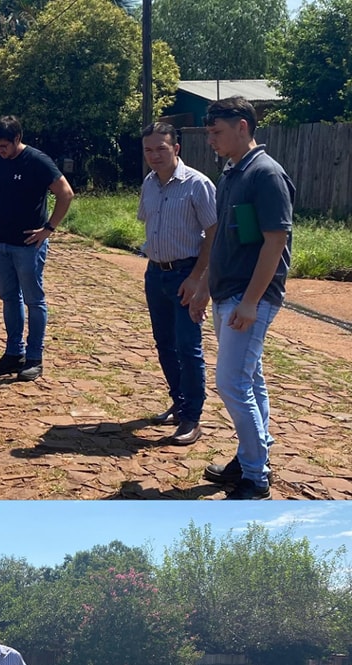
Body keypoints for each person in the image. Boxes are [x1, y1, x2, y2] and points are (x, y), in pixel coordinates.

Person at [200, 98, 295, 500]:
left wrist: (252, 302)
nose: (211, 140)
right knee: (249, 380)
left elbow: (275, 242)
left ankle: (255, 478)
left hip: (249, 295)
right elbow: (223, 236)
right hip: (227, 291)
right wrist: (204, 285)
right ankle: (251, 454)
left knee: (231, 382)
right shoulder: (231, 173)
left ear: (242, 126)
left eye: (216, 132)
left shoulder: (266, 174)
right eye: (208, 133)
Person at [138, 122, 218, 446]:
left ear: (176, 149)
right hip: (155, 273)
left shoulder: (198, 185)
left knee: (188, 347)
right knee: (165, 344)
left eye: (161, 148)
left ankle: (192, 417)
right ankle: (179, 401)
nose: (154, 155)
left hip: (186, 273)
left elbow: (214, 233)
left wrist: (198, 278)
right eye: (148, 150)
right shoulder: (149, 183)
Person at [0, 115, 74, 382]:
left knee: (34, 300)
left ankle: (34, 357)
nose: (0, 151)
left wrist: (49, 229)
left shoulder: (37, 161)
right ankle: (14, 353)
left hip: (29, 245)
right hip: (1, 244)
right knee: (9, 298)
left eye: (4, 146)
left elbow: (65, 193)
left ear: (17, 139)